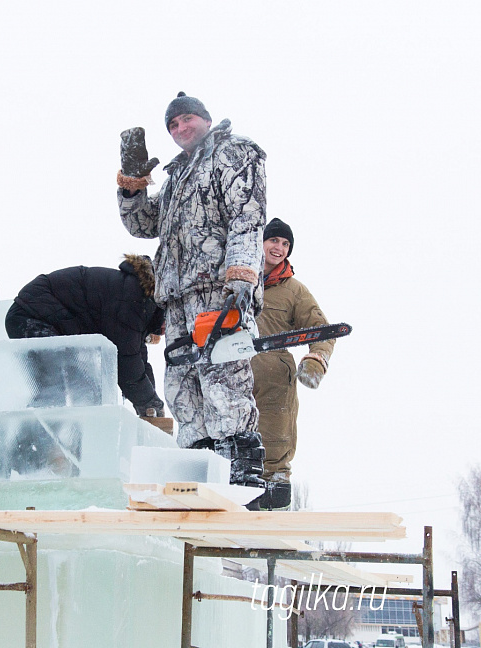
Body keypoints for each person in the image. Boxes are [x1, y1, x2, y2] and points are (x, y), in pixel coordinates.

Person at [116, 92, 267, 487]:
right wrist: (133, 186)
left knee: (223, 377)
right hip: (177, 295)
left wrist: (241, 278)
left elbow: (247, 218)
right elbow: (145, 225)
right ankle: (200, 466)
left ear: (205, 119)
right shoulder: (177, 174)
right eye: (173, 126)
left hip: (219, 287)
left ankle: (241, 466)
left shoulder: (233, 153)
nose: (181, 129)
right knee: (183, 386)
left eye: (187, 120)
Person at [5, 254, 166, 417]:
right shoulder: (133, 298)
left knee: (84, 389)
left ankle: (60, 439)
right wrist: (148, 404)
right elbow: (127, 364)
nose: (167, 331)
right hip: (32, 315)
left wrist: (152, 405)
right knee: (59, 389)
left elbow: (138, 362)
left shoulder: (140, 304)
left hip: (47, 319)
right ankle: (21, 437)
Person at [247, 218, 335, 511]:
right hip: (230, 373)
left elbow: (322, 329)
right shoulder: (237, 277)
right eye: (274, 241)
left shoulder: (295, 290)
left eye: (285, 244)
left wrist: (316, 360)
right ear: (261, 242)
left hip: (274, 377)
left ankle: (274, 495)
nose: (279, 248)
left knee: (275, 435)